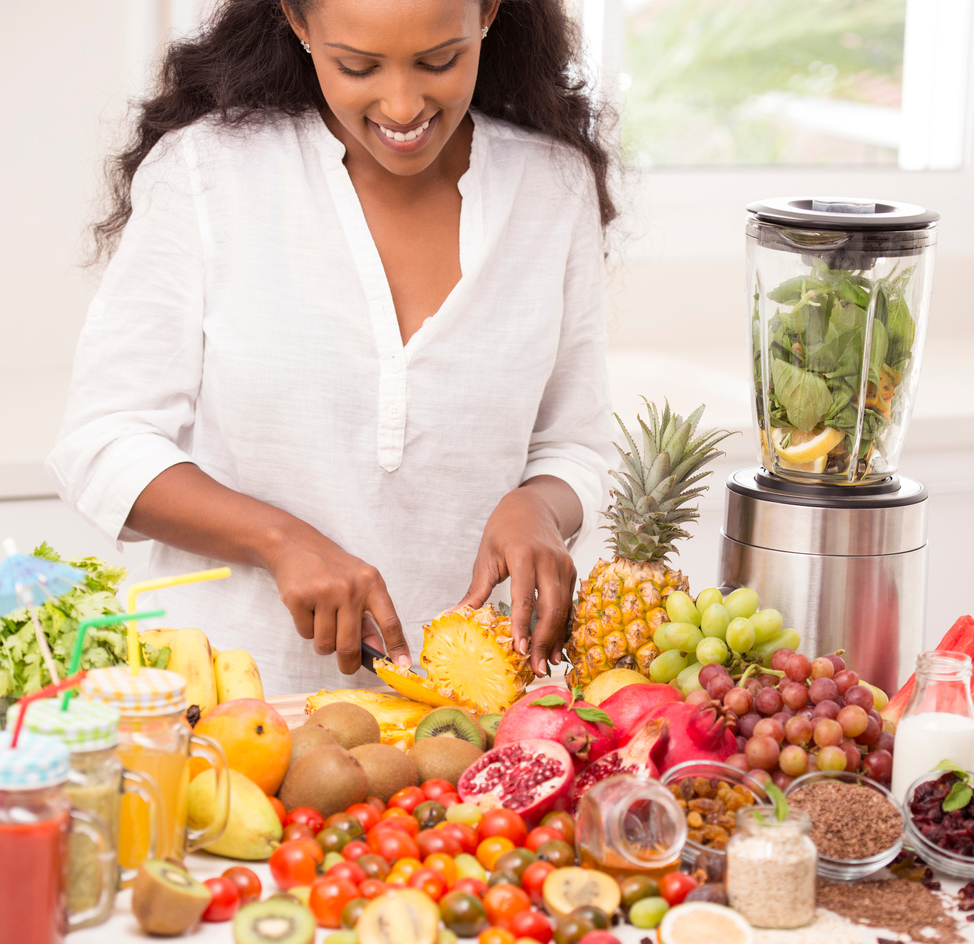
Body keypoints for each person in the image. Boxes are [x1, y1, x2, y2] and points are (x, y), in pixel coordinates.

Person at [47, 0, 619, 695]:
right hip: (224, 703)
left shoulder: (552, 187)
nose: (403, 105)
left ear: (489, 14)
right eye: (357, 66)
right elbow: (104, 442)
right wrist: (278, 540)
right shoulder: (206, 173)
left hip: (465, 718)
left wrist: (540, 508)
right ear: (297, 21)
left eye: (440, 60)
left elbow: (574, 448)